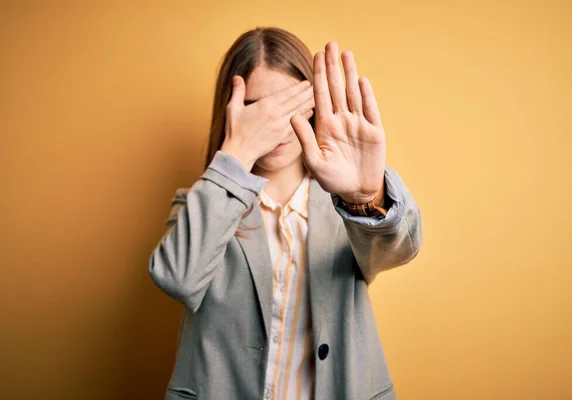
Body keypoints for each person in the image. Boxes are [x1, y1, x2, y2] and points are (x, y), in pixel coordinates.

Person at [148, 26, 422, 400]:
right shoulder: (204, 203)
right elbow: (178, 277)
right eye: (257, 110)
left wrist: (365, 195)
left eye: (289, 106)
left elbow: (400, 248)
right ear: (231, 113)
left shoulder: (343, 208)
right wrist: (236, 156)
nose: (276, 125)